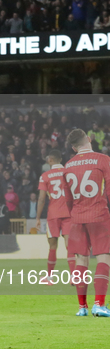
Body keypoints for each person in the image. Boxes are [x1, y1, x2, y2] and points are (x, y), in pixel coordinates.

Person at [63, 129, 110, 317]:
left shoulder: (68, 165)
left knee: (81, 260)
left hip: (77, 218)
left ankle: (82, 307)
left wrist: (74, 213)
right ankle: (99, 304)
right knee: (103, 258)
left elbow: (67, 199)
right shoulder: (103, 159)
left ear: (74, 148)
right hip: (99, 215)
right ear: (89, 139)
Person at [36, 149, 76, 285]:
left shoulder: (45, 176)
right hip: (69, 213)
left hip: (53, 215)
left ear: (50, 160)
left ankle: (50, 278)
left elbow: (41, 199)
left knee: (52, 246)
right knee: (69, 245)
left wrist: (37, 217)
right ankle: (73, 277)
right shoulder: (69, 173)